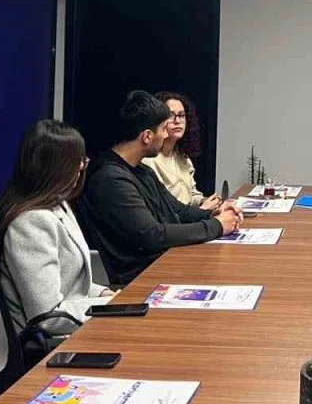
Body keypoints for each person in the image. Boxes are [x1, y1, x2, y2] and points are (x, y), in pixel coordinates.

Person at [74, 90, 242, 285]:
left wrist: (214, 214)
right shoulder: (110, 178)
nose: (166, 135)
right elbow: (153, 235)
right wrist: (217, 226)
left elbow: (179, 210)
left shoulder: (142, 170)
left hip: (166, 262)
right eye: (163, 129)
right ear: (147, 136)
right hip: (143, 278)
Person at [0, 120, 114, 338]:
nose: (82, 166)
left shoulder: (57, 203)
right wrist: (108, 307)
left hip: (74, 324)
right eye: (78, 160)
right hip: (57, 339)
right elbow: (48, 317)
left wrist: (102, 293)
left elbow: (69, 282)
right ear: (58, 168)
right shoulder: (30, 222)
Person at [142, 91, 221, 209]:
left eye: (182, 115)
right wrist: (203, 210)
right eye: (171, 115)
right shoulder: (148, 161)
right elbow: (163, 210)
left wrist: (205, 201)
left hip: (192, 216)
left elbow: (191, 195)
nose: (177, 121)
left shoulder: (183, 157)